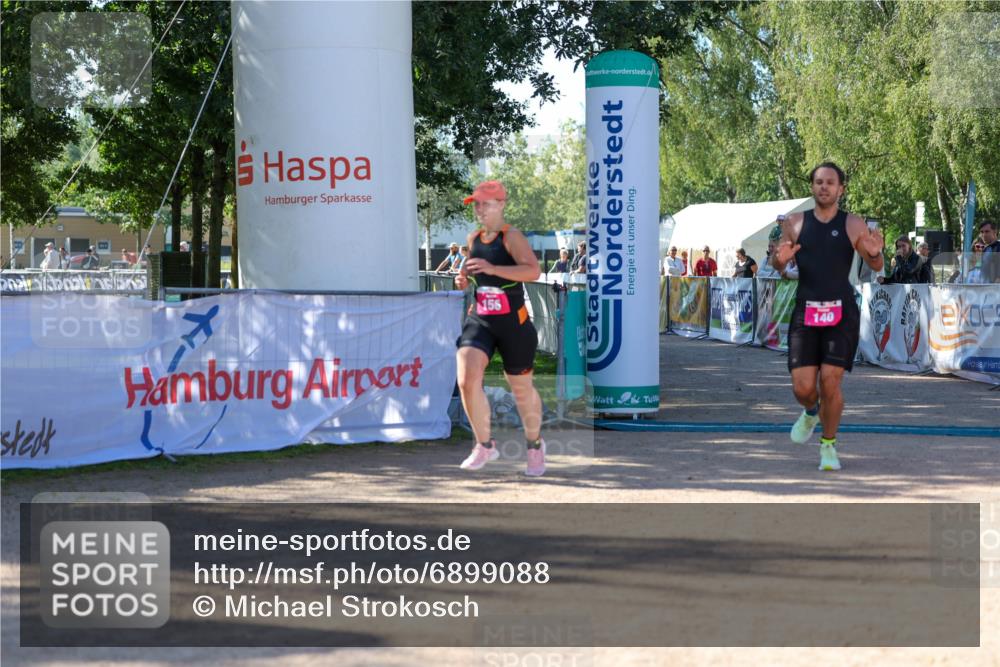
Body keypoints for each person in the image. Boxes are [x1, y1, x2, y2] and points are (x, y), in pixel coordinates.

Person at [772, 162, 884, 471]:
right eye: (819, 181)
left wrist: (875, 253)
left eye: (830, 182)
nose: (824, 186)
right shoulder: (794, 223)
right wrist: (779, 262)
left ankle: (828, 446)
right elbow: (783, 266)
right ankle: (810, 412)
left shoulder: (853, 224)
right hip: (806, 311)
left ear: (840, 189)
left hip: (841, 312)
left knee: (830, 382)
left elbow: (875, 265)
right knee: (803, 388)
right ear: (812, 187)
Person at [454, 180, 546, 476]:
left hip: (513, 323)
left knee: (522, 391)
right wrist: (463, 278)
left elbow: (532, 270)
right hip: (480, 318)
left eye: (486, 203)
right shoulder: (473, 238)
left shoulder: (512, 237)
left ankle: (534, 445)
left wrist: (495, 270)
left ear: (501, 204)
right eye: (476, 204)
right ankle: (484, 444)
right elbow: (470, 268)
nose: (480, 209)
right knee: (467, 377)